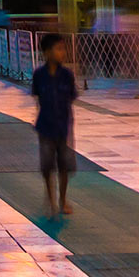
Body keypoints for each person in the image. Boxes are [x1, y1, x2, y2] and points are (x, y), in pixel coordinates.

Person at [32, 33, 79, 216]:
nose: (62, 53)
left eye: (63, 49)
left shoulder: (67, 75)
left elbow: (71, 98)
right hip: (45, 127)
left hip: (63, 127)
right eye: (58, 49)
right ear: (47, 52)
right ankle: (50, 198)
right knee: (47, 165)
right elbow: (38, 99)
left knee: (64, 165)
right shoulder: (39, 75)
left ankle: (63, 199)